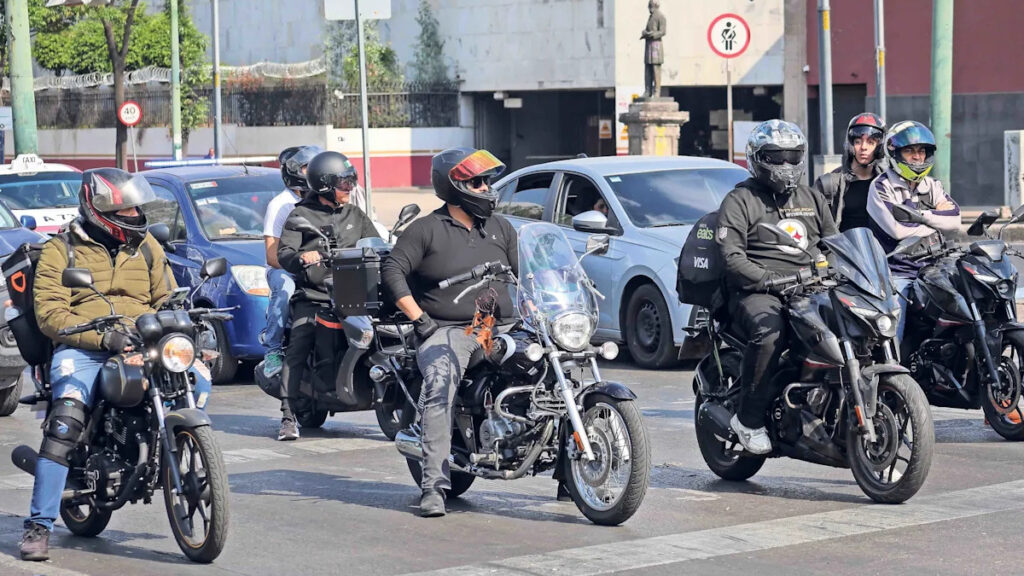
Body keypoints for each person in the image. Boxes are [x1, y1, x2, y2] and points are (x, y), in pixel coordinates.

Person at [20, 168, 213, 562]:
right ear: (99, 210)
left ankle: (169, 445)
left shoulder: (146, 247)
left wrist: (185, 325)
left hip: (143, 341)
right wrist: (103, 338)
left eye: (136, 207)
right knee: (66, 419)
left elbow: (166, 297)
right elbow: (50, 315)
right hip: (85, 346)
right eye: (125, 209)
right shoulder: (63, 250)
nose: (134, 214)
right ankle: (39, 526)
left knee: (197, 379)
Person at [381, 147, 520, 518]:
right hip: (453, 328)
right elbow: (392, 271)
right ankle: (433, 486)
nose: (486, 187)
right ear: (455, 186)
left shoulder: (502, 228)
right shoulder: (426, 229)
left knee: (559, 366)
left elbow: (527, 275)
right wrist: (419, 319)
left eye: (487, 180)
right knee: (440, 383)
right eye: (477, 181)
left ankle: (567, 473)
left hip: (499, 324)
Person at [716, 120, 837, 455]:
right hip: (757, 292)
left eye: (792, 156)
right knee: (771, 334)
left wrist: (843, 270)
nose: (785, 165)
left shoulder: (812, 197)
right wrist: (765, 279)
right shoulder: (740, 199)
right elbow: (730, 255)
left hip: (811, 287)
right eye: (776, 157)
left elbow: (835, 244)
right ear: (757, 159)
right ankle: (748, 420)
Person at [276, 151, 380, 441]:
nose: (350, 188)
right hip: (316, 294)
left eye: (351, 182)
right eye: (344, 183)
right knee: (299, 342)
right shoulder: (300, 216)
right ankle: (287, 414)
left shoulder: (355, 214)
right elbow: (283, 253)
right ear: (324, 185)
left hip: (357, 294)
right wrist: (303, 257)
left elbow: (375, 242)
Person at [866, 120, 960, 344]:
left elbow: (955, 222)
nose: (917, 157)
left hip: (936, 267)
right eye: (909, 151)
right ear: (895, 153)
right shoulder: (881, 186)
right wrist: (936, 218)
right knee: (892, 335)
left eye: (921, 151)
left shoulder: (932, 185)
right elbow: (898, 229)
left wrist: (920, 217)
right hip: (899, 273)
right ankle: (893, 373)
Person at [261, 145, 323, 379]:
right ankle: (273, 349)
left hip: (321, 265)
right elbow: (271, 255)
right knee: (285, 287)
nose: (315, 172)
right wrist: (299, 261)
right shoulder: (280, 204)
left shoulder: (324, 200)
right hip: (285, 268)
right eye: (309, 168)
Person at [814, 113, 887, 231]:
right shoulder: (828, 184)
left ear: (879, 147)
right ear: (851, 144)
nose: (863, 147)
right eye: (858, 141)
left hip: (880, 249)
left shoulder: (887, 182)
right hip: (841, 248)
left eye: (870, 142)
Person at [641, 0, 667, 98]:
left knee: (656, 69)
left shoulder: (661, 16)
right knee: (648, 68)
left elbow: (663, 31)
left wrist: (652, 34)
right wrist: (645, 33)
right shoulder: (650, 17)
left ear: (655, 5)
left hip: (656, 46)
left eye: (651, 6)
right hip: (649, 46)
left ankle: (657, 91)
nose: (649, 8)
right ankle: (647, 90)